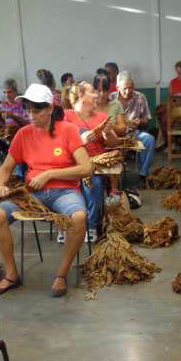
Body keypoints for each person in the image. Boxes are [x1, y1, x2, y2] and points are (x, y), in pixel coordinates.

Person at [0, 84, 91, 297]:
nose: (30, 115)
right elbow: (6, 168)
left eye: (36, 111)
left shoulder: (68, 131)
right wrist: (0, 185)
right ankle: (11, 274)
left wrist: (50, 174)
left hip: (64, 193)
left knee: (79, 217)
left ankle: (61, 274)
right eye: (28, 110)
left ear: (49, 109)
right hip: (33, 195)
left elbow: (86, 167)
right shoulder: (23, 134)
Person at [65, 82, 119, 242]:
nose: (96, 95)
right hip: (71, 165)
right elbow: (59, 144)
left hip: (95, 165)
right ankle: (69, 225)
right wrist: (81, 140)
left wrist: (107, 133)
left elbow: (113, 144)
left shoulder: (102, 117)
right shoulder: (66, 117)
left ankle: (92, 226)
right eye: (92, 92)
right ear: (81, 95)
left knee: (93, 184)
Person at [111, 71, 155, 187]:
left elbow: (147, 119)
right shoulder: (111, 99)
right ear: (117, 88)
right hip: (114, 134)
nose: (128, 91)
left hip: (134, 134)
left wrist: (140, 122)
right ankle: (112, 179)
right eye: (125, 88)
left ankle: (142, 175)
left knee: (149, 139)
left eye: (131, 88)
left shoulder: (140, 97)